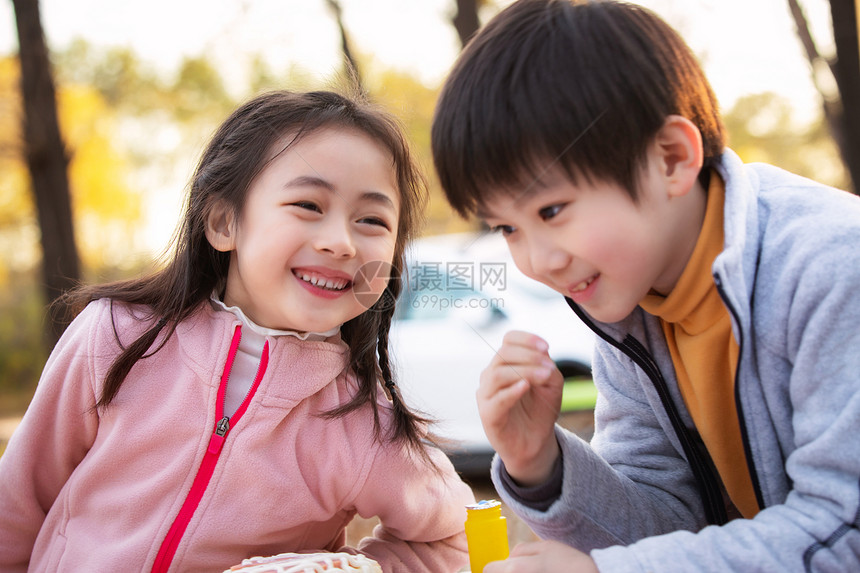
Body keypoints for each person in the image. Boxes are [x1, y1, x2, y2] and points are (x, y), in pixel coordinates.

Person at [431, 1, 860, 571]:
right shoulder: (633, 307)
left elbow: (843, 529)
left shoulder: (831, 267)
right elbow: (670, 524)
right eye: (507, 227)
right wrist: (541, 463)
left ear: (671, 158)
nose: (538, 260)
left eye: (553, 209)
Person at [0, 89, 475, 573]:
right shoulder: (116, 336)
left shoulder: (363, 424)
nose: (340, 242)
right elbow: (15, 506)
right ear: (224, 222)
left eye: (372, 220)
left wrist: (356, 569)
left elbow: (463, 537)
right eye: (309, 205)